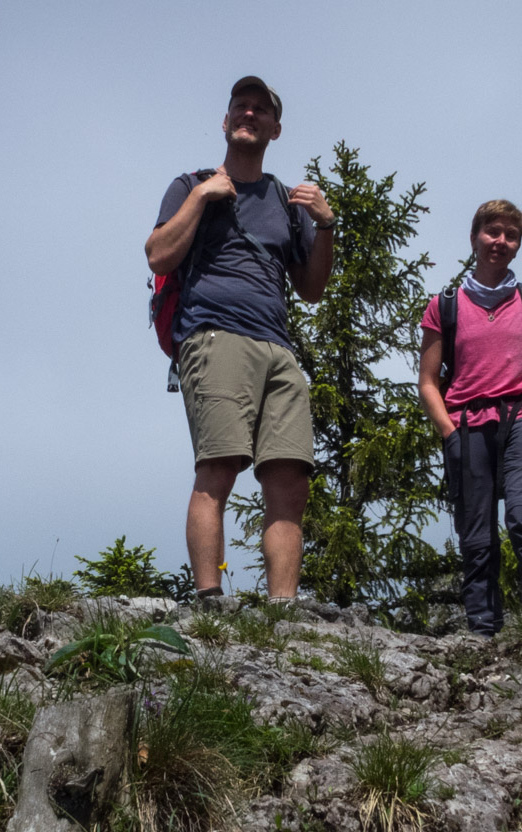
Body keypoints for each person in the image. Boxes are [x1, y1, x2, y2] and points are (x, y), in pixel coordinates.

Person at [144, 76, 336, 603]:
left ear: (275, 129)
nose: (249, 115)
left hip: (279, 347)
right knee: (219, 466)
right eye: (240, 108)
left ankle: (283, 610)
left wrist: (325, 225)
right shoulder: (190, 184)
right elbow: (159, 254)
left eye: (260, 110)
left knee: (289, 479)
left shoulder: (285, 199)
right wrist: (204, 196)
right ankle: (209, 600)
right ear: (226, 122)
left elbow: (312, 288)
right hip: (214, 335)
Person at [419, 199, 522, 633]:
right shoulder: (444, 306)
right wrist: (448, 431)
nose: (500, 242)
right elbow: (428, 381)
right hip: (466, 427)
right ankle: (483, 630)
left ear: (518, 245)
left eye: (511, 235)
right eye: (492, 232)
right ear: (474, 237)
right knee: (477, 533)